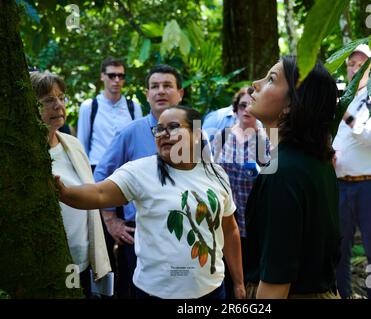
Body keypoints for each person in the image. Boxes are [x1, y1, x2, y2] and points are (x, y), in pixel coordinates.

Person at [55, 106, 245, 299]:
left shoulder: (216, 174)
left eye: (173, 127)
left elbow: (229, 229)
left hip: (212, 291)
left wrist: (238, 283)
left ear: (196, 134)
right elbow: (99, 193)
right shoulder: (140, 171)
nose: (163, 134)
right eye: (159, 129)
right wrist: (63, 192)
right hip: (155, 293)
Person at [244, 56, 341, 299]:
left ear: (291, 104)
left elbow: (276, 284)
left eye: (271, 79)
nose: (254, 84)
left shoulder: (282, 173)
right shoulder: (315, 162)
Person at [93, 64, 184, 298]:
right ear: (147, 94)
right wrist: (111, 220)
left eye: (167, 86)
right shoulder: (130, 133)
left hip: (184, 236)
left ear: (180, 93)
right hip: (141, 237)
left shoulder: (195, 133)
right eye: (154, 86)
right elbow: (101, 176)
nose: (161, 91)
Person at [30, 71, 111, 298]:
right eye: (48, 100)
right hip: (46, 261)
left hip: (80, 258)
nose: (58, 105)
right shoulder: (25, 156)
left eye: (61, 98)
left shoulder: (72, 144)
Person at [332, 44, 371, 299]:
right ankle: (340, 295)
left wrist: (345, 114)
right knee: (338, 251)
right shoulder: (344, 97)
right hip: (340, 185)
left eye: (361, 64)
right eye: (351, 64)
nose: (354, 69)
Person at [211, 87, 270, 298]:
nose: (247, 109)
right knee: (229, 275)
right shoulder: (223, 136)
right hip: (228, 219)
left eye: (252, 105)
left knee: (255, 274)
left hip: (258, 219)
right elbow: (210, 172)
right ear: (235, 110)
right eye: (242, 105)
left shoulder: (267, 139)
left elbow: (273, 177)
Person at [77, 57, 143, 171]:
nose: (117, 80)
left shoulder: (134, 107)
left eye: (121, 76)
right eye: (112, 75)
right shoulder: (89, 106)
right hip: (96, 167)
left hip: (126, 169)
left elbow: (138, 143)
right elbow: (82, 144)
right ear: (102, 76)